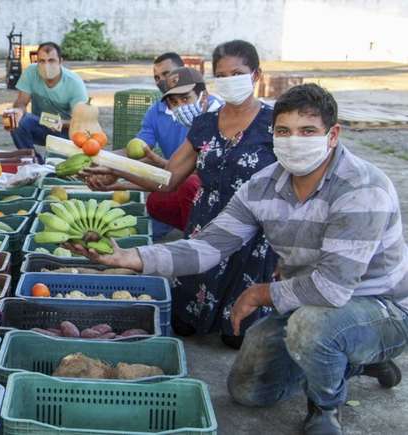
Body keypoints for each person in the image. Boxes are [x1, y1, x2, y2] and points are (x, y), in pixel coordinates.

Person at [70, 83, 408, 435]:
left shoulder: (362, 188)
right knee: (247, 392)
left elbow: (332, 290)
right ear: (272, 134)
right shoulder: (262, 186)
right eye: (284, 131)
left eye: (308, 131)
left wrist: (260, 293)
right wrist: (131, 256)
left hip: (380, 307)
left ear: (332, 134)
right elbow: (208, 247)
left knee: (313, 328)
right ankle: (352, 363)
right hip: (304, 301)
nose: (295, 140)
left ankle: (325, 407)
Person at [84, 40, 279, 349]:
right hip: (205, 230)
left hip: (252, 238)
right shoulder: (204, 125)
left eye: (238, 73)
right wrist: (118, 172)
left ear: (256, 75)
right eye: (222, 74)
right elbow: (168, 179)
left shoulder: (275, 125)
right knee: (183, 325)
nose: (230, 80)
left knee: (235, 338)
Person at [86, 65, 221, 234]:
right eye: (174, 102)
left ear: (204, 97)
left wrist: (120, 170)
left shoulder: (221, 118)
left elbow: (184, 177)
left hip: (224, 199)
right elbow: (167, 181)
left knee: (189, 185)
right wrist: (106, 167)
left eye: (185, 99)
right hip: (180, 180)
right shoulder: (165, 115)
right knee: (156, 202)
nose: (180, 107)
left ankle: (201, 240)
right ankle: (191, 230)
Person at [8, 42, 88, 160]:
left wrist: (62, 123)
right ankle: (32, 161)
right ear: (37, 61)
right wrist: (17, 111)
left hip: (66, 132)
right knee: (16, 120)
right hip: (40, 124)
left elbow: (83, 121)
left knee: (55, 166)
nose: (46, 65)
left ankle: (54, 159)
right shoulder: (30, 72)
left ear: (60, 61)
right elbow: (21, 102)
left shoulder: (74, 83)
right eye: (42, 61)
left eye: (51, 61)